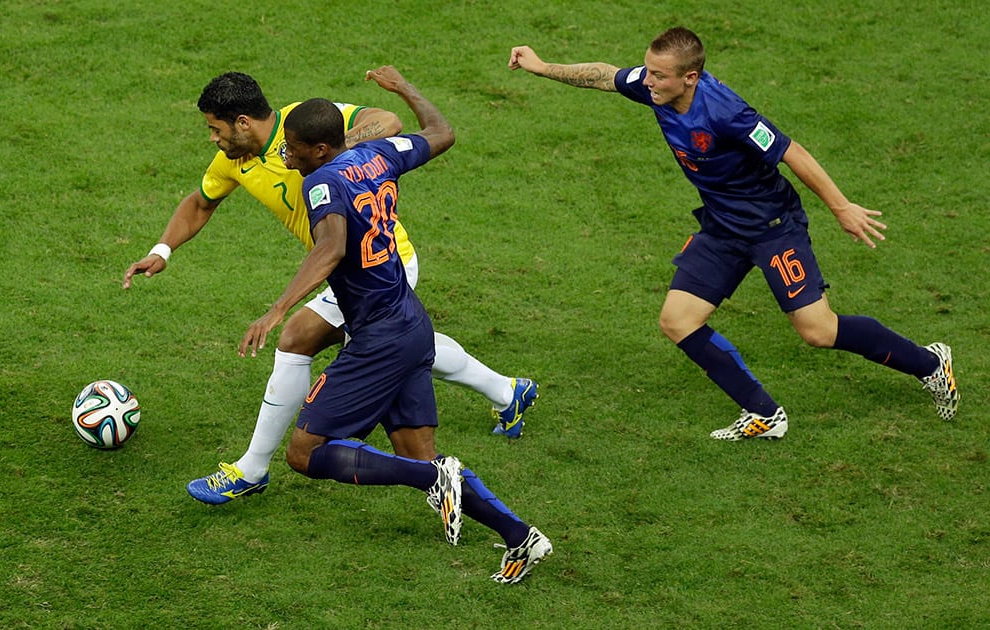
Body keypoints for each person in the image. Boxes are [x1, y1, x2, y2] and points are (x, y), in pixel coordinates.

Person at [508, 27, 958, 439]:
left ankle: (931, 363)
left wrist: (841, 207)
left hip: (772, 228)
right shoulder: (655, 88)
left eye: (660, 76)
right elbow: (606, 76)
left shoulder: (727, 113)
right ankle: (763, 413)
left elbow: (791, 152)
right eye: (648, 71)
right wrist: (541, 65)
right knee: (677, 321)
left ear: (690, 78)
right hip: (723, 226)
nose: (648, 81)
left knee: (818, 331)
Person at [123, 73, 538, 505]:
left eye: (215, 128)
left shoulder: (305, 124)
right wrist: (162, 250)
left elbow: (388, 121)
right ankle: (508, 391)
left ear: (243, 122)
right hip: (342, 266)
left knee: (297, 338)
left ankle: (251, 468)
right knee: (408, 344)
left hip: (380, 260)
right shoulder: (235, 159)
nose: (213, 138)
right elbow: (200, 202)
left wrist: (334, 154)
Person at [250, 65, 550, 583]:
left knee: (305, 454)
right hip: (410, 322)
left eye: (293, 148)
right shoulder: (379, 154)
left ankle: (440, 479)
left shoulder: (321, 183)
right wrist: (406, 89)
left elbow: (331, 249)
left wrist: (276, 310)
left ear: (320, 149)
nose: (286, 155)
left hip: (380, 338)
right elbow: (442, 133)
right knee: (418, 455)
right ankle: (521, 536)